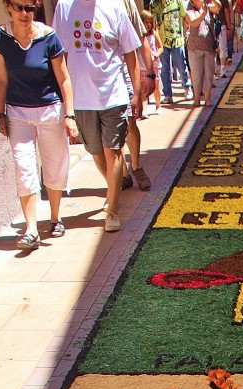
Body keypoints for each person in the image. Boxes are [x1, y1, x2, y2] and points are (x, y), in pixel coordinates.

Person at [0, 0, 78, 249]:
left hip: (50, 109)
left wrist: (69, 115)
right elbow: (0, 78)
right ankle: (31, 229)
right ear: (7, 6)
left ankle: (55, 217)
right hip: (18, 112)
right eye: (19, 7)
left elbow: (64, 80)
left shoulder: (48, 37)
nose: (24, 13)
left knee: (54, 163)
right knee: (23, 166)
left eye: (30, 8)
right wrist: (0, 114)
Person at [53, 0, 143, 234]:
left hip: (113, 95)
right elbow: (58, 55)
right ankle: (113, 187)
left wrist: (137, 92)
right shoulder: (64, 7)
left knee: (112, 151)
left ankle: (112, 210)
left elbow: (130, 53)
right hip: (81, 99)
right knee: (96, 152)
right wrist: (65, 101)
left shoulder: (114, 7)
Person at [120, 0, 154, 190]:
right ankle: (122, 173)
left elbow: (142, 39)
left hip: (125, 71)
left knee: (131, 121)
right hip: (95, 81)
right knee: (109, 131)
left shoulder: (126, 3)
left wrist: (149, 73)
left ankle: (135, 165)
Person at [150, 0, 192, 103]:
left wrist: (185, 34)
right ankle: (168, 94)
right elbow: (153, 23)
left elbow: (183, 18)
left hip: (177, 39)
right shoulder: (154, 3)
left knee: (181, 64)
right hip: (162, 40)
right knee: (165, 69)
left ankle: (187, 88)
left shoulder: (177, 1)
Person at [186, 0, 217, 105]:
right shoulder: (189, 11)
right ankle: (197, 99)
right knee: (197, 75)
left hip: (209, 48)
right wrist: (203, 14)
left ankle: (208, 99)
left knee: (209, 74)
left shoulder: (209, 8)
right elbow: (194, 23)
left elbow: (218, 7)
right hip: (194, 48)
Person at [140, 7, 164, 113]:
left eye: (150, 22)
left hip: (154, 63)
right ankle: (144, 108)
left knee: (156, 86)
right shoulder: (139, 35)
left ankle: (158, 106)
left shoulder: (154, 33)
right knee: (143, 87)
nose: (148, 25)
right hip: (142, 64)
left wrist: (156, 55)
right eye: (146, 22)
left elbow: (161, 47)